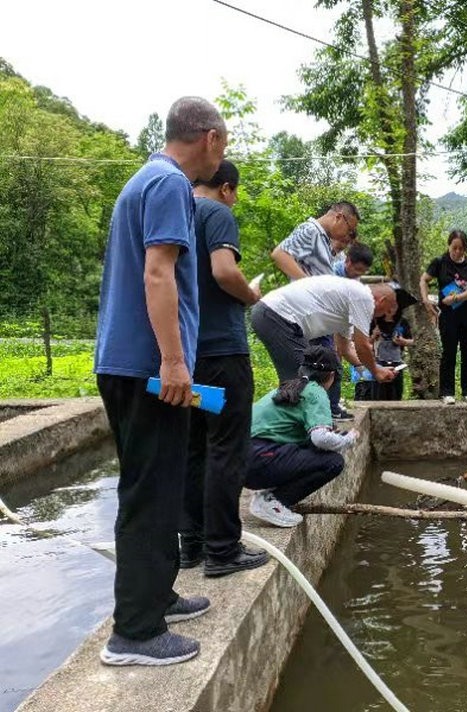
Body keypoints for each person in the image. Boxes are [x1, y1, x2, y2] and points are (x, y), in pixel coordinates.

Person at [93, 96, 227, 666]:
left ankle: (158, 596)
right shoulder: (170, 184)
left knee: (156, 483)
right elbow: (157, 272)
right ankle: (136, 632)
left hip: (123, 361)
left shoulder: (144, 180)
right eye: (224, 143)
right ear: (210, 138)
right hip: (148, 366)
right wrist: (173, 361)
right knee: (150, 492)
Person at [181, 159, 269, 578]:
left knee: (194, 447)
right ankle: (222, 550)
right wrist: (250, 295)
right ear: (227, 188)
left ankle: (192, 544)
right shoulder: (217, 213)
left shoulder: (177, 212)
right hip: (222, 355)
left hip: (187, 356)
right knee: (226, 448)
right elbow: (223, 271)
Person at [245, 346, 357, 527]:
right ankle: (274, 502)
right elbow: (320, 439)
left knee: (310, 447)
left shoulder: (288, 387)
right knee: (333, 462)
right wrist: (348, 440)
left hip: (241, 464)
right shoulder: (316, 392)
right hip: (259, 460)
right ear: (331, 375)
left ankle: (269, 494)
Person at [271, 200, 361, 420]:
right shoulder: (310, 230)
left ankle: (322, 415)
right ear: (339, 217)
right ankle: (318, 416)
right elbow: (280, 254)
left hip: (319, 320)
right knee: (317, 369)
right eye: (349, 228)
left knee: (324, 370)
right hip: (306, 316)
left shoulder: (323, 240)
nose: (346, 235)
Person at [250, 274, 398, 387]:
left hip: (272, 316)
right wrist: (376, 371)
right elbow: (362, 346)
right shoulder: (364, 297)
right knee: (304, 379)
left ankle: (298, 416)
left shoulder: (349, 306)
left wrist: (374, 369)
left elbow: (346, 350)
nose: (386, 316)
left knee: (302, 380)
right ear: (381, 300)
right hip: (276, 316)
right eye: (388, 310)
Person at [420, 230, 467, 404]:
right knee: (449, 353)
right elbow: (424, 280)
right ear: (449, 246)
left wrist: (456, 298)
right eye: (454, 248)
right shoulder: (440, 262)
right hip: (448, 317)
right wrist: (426, 301)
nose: (457, 252)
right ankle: (447, 391)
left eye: (461, 248)